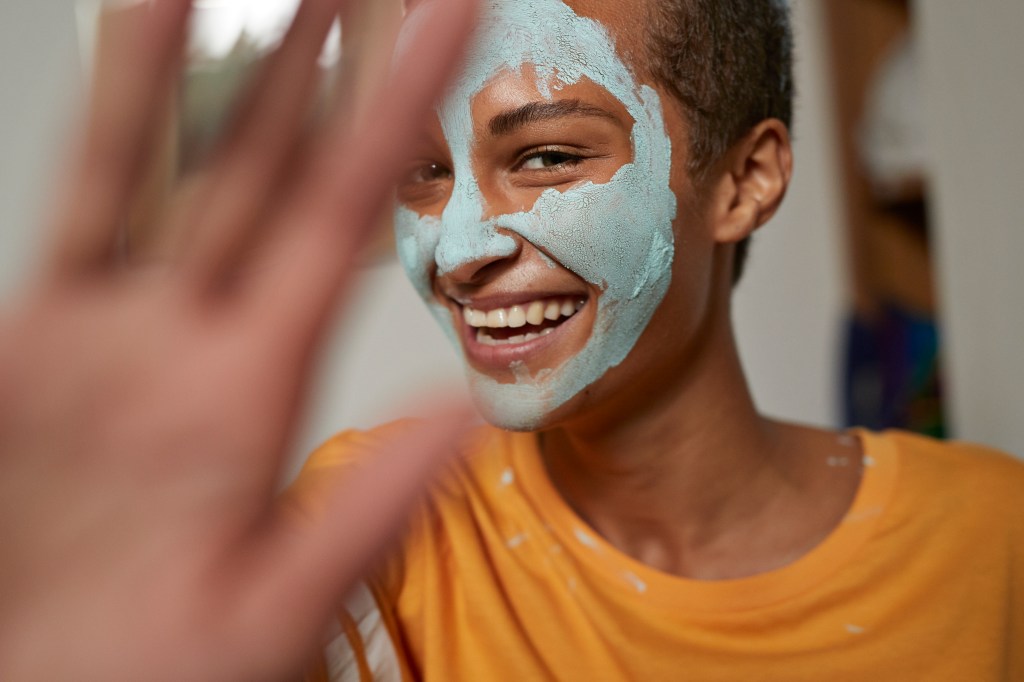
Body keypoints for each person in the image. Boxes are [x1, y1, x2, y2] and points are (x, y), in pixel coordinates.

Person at [0, 1, 1019, 681]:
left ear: (744, 181)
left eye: (542, 155)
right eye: (422, 171)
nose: (456, 248)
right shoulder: (374, 543)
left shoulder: (994, 545)